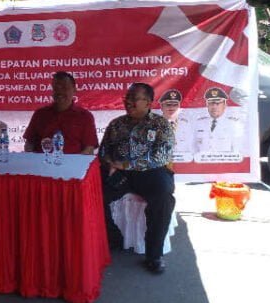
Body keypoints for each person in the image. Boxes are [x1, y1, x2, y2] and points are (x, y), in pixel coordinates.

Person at [99, 82, 175, 274]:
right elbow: (103, 151)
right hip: (119, 173)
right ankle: (113, 238)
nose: (128, 102)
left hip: (151, 172)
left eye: (134, 99)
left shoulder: (160, 124)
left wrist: (126, 165)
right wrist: (110, 164)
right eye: (127, 98)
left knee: (164, 197)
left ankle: (154, 255)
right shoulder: (116, 124)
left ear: (148, 103)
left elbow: (160, 157)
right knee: (94, 194)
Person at [23, 71, 98, 154]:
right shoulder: (40, 114)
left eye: (64, 88)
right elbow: (29, 143)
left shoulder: (85, 117)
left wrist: (75, 161)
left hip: (73, 162)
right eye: (56, 88)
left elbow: (89, 148)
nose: (60, 92)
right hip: (42, 161)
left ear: (74, 90)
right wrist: (31, 158)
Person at [193, 87, 243, 154]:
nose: (214, 107)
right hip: (202, 160)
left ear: (224, 105)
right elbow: (194, 149)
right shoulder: (199, 124)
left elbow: (237, 151)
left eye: (217, 103)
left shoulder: (233, 124)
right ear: (207, 105)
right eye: (211, 103)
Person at [158, 89, 192, 161]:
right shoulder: (154, 125)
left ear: (179, 106)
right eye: (168, 105)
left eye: (175, 105)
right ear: (161, 106)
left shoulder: (186, 124)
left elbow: (192, 146)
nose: (172, 108)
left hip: (183, 162)